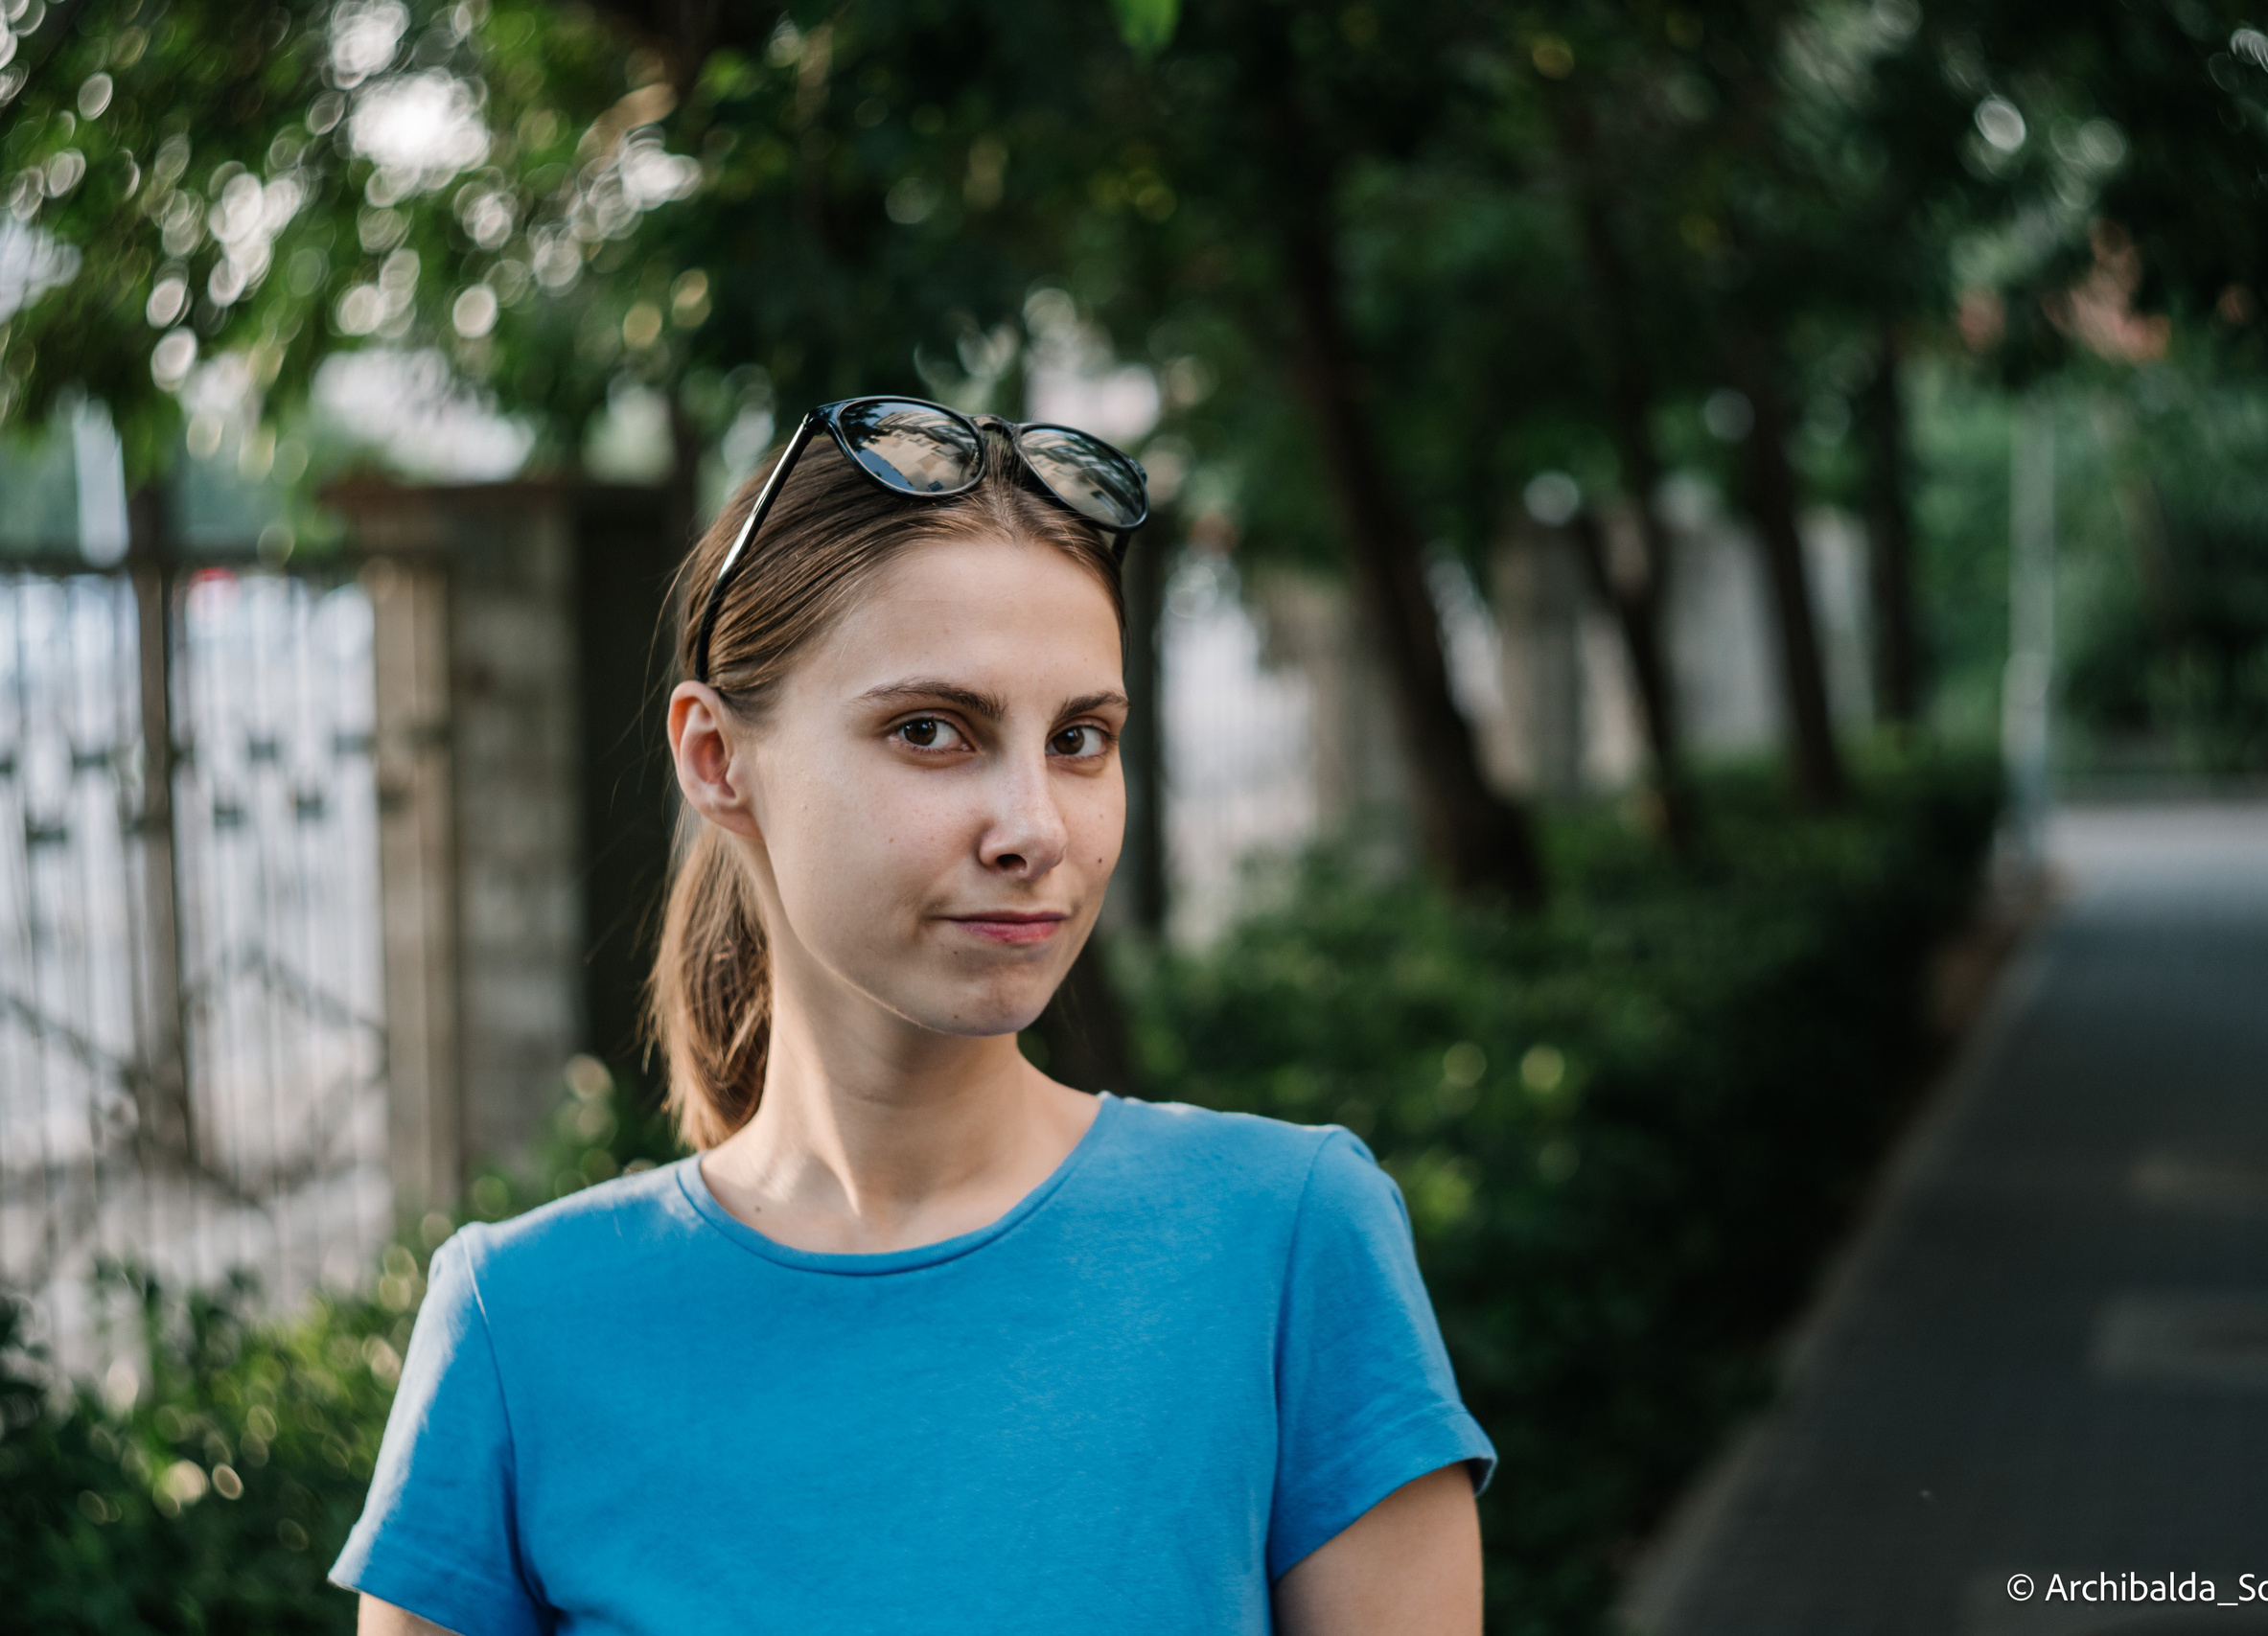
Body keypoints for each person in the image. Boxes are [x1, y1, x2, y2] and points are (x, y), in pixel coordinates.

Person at [334, 398, 1494, 1636]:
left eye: (1081, 739)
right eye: (932, 731)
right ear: (717, 758)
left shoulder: (1291, 1245)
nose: (1036, 829)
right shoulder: (520, 1331)